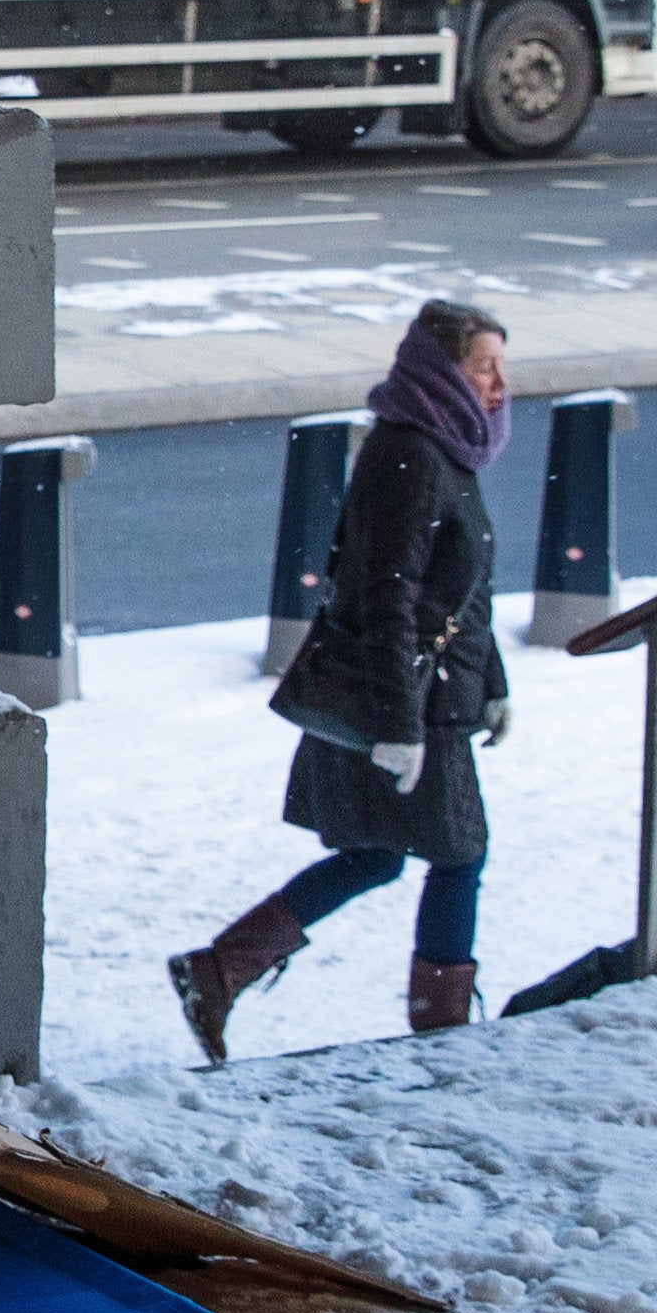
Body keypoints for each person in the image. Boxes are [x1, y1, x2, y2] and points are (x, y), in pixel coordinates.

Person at [172, 296, 516, 1056]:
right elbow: (383, 594)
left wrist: (491, 679)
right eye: (484, 367)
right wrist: (399, 728)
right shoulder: (410, 456)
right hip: (403, 702)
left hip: (431, 695)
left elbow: (464, 586)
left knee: (376, 852)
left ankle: (219, 968)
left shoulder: (448, 447)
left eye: (499, 368)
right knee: (458, 855)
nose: (498, 386)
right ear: (443, 373)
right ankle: (442, 1029)